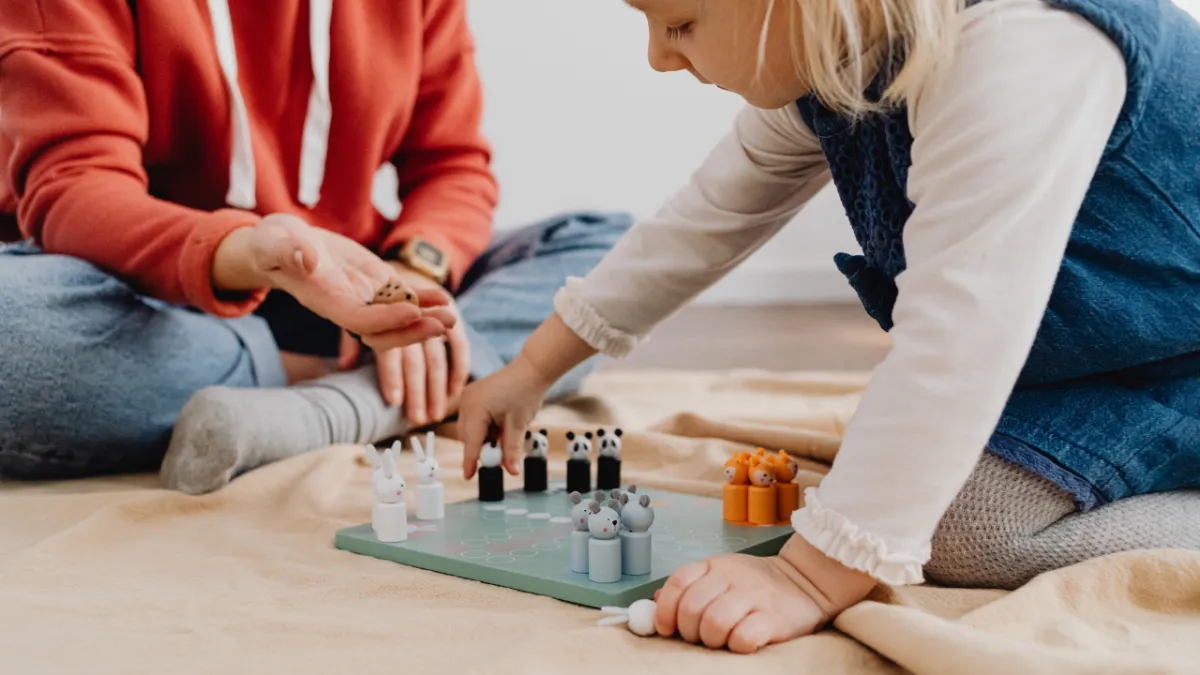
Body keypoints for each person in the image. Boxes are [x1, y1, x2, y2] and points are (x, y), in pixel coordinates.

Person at [457, 0, 1200, 654]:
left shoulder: (1026, 46)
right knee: (903, 475)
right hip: (1101, 354)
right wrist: (532, 368)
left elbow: (959, 335)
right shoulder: (840, 55)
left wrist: (807, 576)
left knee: (958, 529)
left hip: (1181, 356)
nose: (658, 57)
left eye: (681, 23)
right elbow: (705, 220)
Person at [0, 0, 631, 492]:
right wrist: (250, 250)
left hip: (356, 278)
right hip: (155, 300)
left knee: (616, 258)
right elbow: (76, 185)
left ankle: (339, 406)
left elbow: (452, 163)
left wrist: (408, 277)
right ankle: (337, 377)